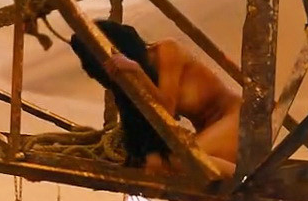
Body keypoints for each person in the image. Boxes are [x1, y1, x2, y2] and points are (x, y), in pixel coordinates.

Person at [68, 19, 241, 177]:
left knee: (183, 161)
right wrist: (150, 153)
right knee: (166, 165)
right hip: (208, 128)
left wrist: (137, 71)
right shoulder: (137, 79)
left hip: (235, 117)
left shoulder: (168, 50)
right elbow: (142, 120)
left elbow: (166, 110)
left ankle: (248, 183)